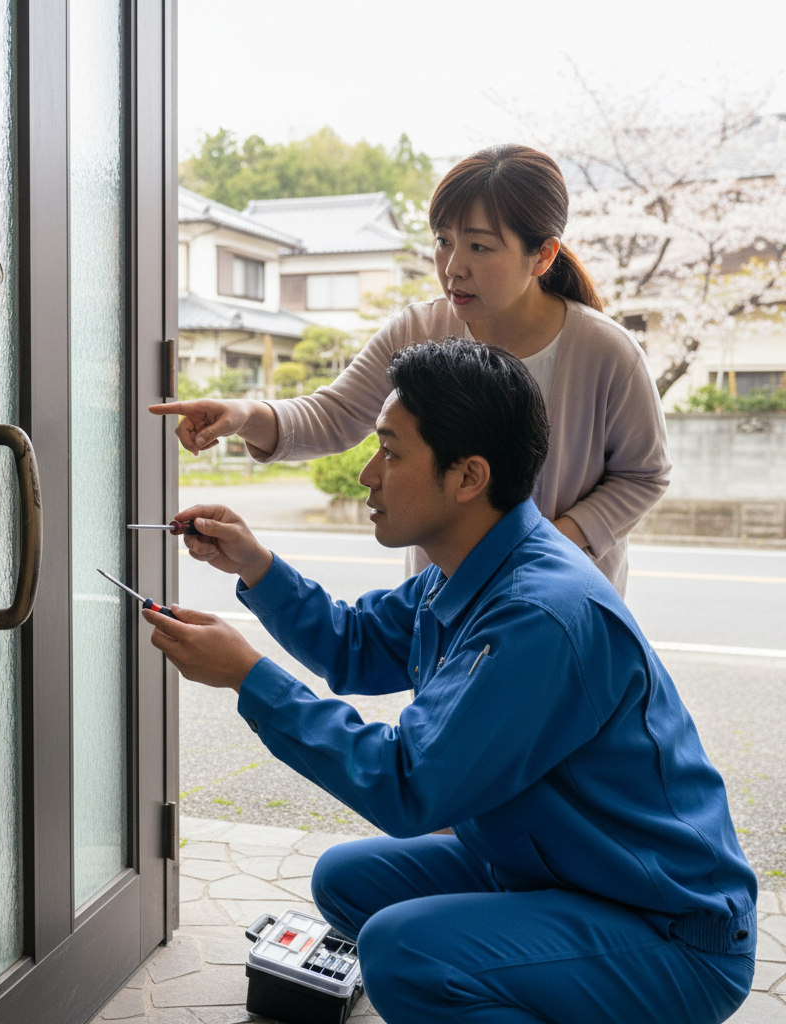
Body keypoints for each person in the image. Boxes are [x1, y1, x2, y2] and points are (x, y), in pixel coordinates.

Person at [143, 340, 755, 1024]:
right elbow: (357, 645)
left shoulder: (540, 615)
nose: (368, 474)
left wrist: (248, 676)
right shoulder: (473, 564)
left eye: (391, 452)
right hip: (554, 870)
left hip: (666, 926)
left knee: (404, 952)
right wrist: (256, 564)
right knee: (346, 881)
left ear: (467, 477)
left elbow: (410, 787)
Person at [151, 144, 671, 596]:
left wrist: (550, 540)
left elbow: (644, 476)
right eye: (443, 240)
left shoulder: (607, 352)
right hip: (448, 598)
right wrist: (243, 413)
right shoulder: (419, 328)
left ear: (542, 255)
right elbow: (335, 414)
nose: (452, 266)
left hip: (565, 603)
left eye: (479, 246)